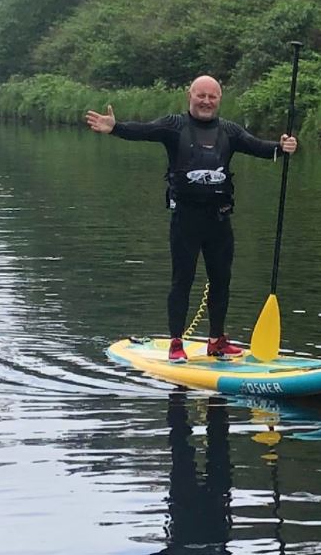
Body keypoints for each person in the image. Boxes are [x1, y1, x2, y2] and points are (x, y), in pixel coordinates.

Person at [86, 75, 297, 363]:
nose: (206, 101)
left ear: (219, 98)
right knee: (181, 281)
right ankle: (176, 343)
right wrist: (115, 128)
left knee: (222, 280)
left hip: (219, 220)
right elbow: (143, 130)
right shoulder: (174, 126)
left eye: (212, 96)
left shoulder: (229, 131)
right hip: (186, 219)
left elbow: (260, 147)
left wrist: (281, 147)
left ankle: (217, 341)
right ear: (190, 95)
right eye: (201, 95)